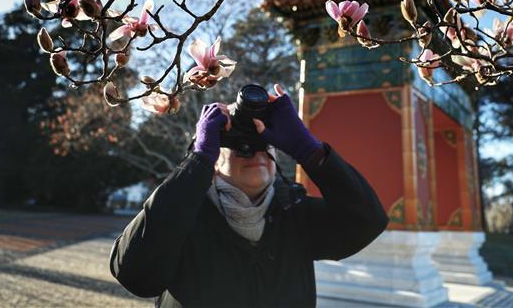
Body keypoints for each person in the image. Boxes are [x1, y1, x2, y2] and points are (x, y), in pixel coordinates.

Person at [109, 83, 389, 307]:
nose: (256, 153)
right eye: (240, 146)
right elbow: (135, 274)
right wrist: (197, 162)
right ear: (214, 163)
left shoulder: (295, 215)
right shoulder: (185, 216)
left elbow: (367, 222)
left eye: (265, 145)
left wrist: (309, 149)